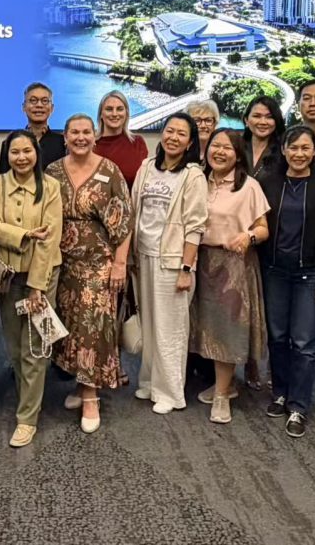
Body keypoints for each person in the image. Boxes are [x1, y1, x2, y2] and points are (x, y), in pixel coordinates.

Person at [46, 114, 133, 433]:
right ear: (65, 137)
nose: (80, 137)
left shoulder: (109, 171)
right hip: (62, 261)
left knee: (92, 327)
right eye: (74, 132)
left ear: (94, 136)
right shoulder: (53, 171)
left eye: (86, 132)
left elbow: (125, 221)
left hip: (99, 262)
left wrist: (120, 263)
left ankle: (91, 397)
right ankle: (81, 385)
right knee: (71, 327)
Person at [257, 126, 315, 438]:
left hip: (311, 274)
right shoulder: (268, 181)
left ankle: (298, 406)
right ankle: (280, 392)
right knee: (277, 337)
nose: (299, 154)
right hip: (274, 271)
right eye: (293, 148)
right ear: (284, 150)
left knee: (304, 343)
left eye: (306, 148)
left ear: (314, 150)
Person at [0, 130, 63, 448]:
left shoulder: (51, 186)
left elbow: (49, 242)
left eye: (27, 151)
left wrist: (36, 288)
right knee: (14, 348)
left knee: (34, 348)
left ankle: (27, 418)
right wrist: (25, 234)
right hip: (7, 276)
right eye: (14, 152)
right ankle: (28, 396)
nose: (21, 157)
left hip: (41, 277)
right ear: (7, 155)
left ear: (36, 153)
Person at [130, 113, 208, 415]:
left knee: (170, 329)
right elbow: (134, 209)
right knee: (150, 324)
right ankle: (150, 381)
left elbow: (196, 226)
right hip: (144, 255)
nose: (173, 137)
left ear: (190, 142)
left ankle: (171, 392)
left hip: (173, 262)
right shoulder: (147, 167)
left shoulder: (193, 175)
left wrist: (187, 269)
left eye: (181, 134)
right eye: (169, 131)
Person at [192, 128, 270, 424]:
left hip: (233, 265)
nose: (219, 152)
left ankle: (222, 395)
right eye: (215, 145)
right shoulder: (199, 180)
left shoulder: (248, 186)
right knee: (206, 327)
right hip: (200, 260)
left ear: (238, 155)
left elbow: (263, 228)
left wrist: (248, 236)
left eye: (227, 148)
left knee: (227, 329)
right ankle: (224, 384)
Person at [94, 90, 148, 188]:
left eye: (119, 109)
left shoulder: (137, 143)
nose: (114, 114)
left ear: (126, 113)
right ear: (101, 114)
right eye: (109, 109)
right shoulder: (91, 145)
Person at [21, 82, 66, 166]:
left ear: (52, 108)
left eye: (45, 101)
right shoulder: (11, 143)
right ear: (24, 107)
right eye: (33, 100)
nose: (39, 105)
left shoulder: (63, 143)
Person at [243, 95, 286, 179]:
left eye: (269, 117)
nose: (263, 122)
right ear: (246, 120)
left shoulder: (284, 150)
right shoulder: (235, 146)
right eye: (257, 116)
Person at [185, 99, 220, 167]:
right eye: (197, 120)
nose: (203, 126)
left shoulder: (220, 152)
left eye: (208, 120)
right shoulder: (181, 150)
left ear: (215, 123)